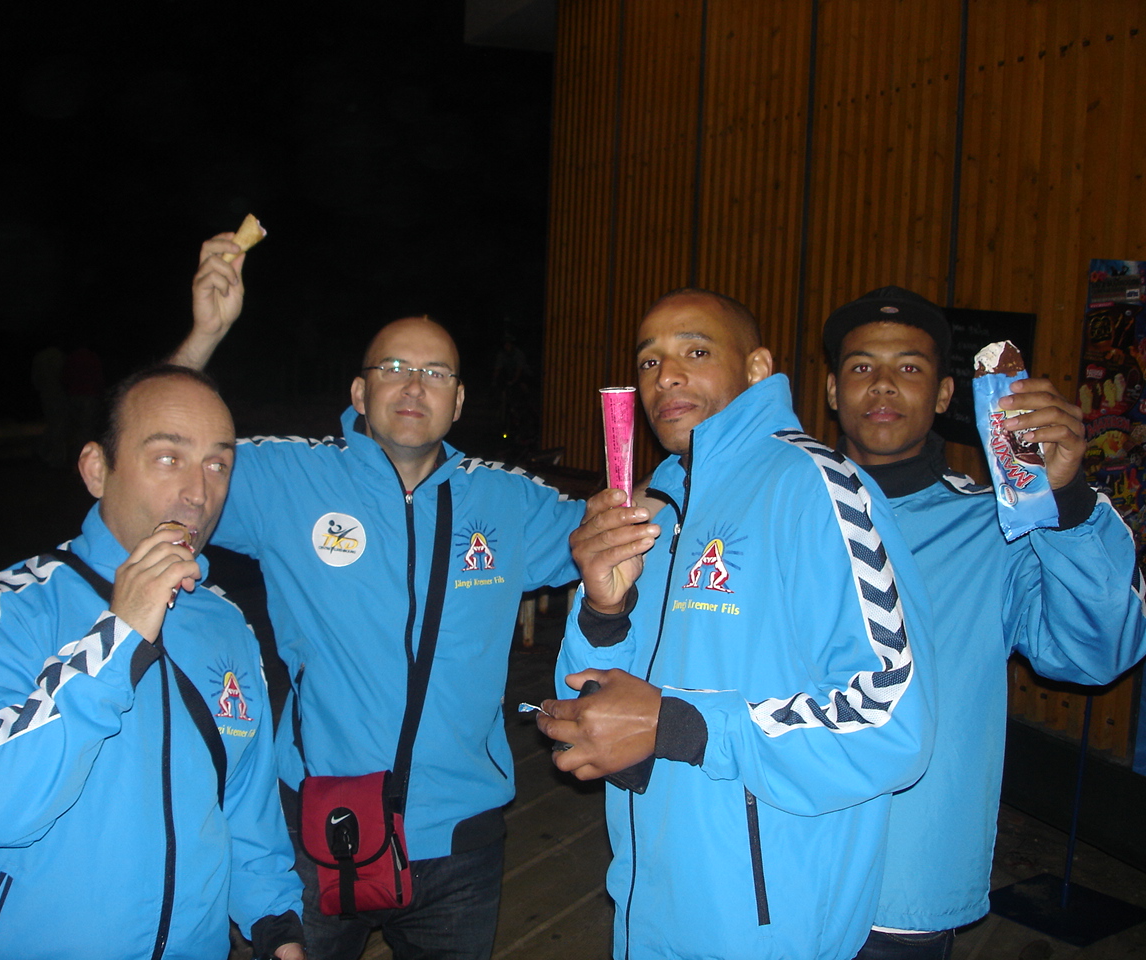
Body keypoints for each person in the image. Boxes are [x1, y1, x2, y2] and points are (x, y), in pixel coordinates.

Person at [173, 234, 586, 960]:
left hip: (460, 842)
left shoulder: (506, 500)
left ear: (458, 401)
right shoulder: (288, 480)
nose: (413, 386)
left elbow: (625, 535)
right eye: (393, 368)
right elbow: (164, 461)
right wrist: (204, 335)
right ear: (359, 393)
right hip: (318, 826)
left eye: (435, 373)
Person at [536, 289, 935, 960]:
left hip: (769, 926)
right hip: (648, 901)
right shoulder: (652, 506)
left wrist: (682, 725)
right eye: (649, 361)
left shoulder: (816, 486)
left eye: (695, 352)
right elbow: (591, 708)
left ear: (756, 369)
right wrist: (604, 611)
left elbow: (894, 723)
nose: (666, 376)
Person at [0, 366, 304, 960]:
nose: (198, 492)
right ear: (96, 470)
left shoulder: (227, 625)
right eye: (167, 458)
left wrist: (277, 927)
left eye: (217, 464)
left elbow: (244, 808)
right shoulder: (5, 609)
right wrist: (119, 633)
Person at [821, 286, 1146, 959]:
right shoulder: (779, 513)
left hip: (902, 883)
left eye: (910, 367)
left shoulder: (999, 529)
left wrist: (1067, 500)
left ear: (946, 395)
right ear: (831, 390)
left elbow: (1100, 653)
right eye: (861, 366)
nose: (883, 383)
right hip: (766, 868)